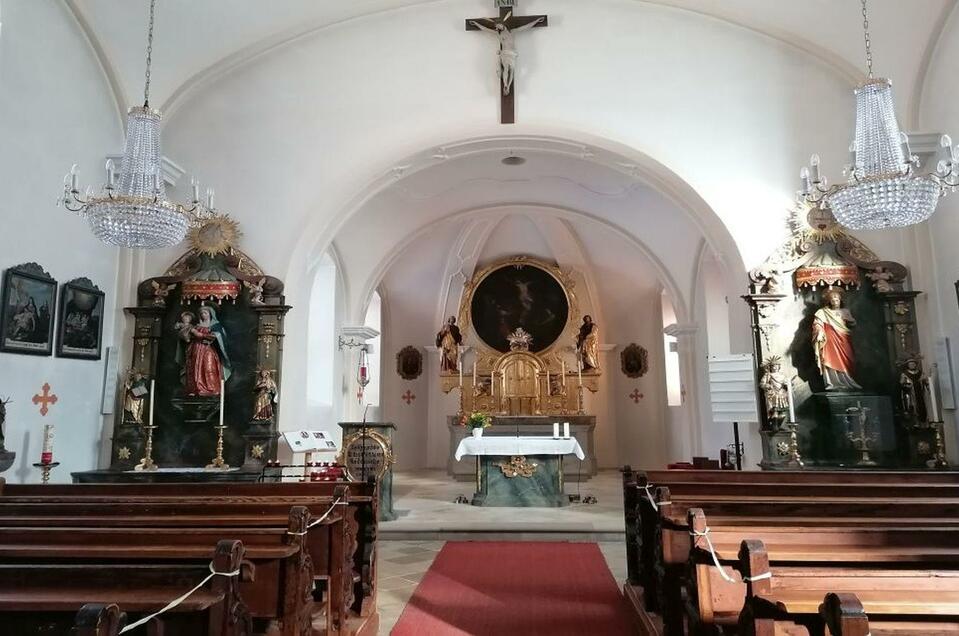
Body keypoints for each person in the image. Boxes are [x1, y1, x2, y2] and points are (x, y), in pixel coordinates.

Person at [469, 14, 546, 95]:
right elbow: (485, 29)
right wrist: (476, 24)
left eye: (499, 25)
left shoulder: (512, 32)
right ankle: (505, 85)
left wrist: (537, 21)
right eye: (497, 27)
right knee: (506, 68)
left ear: (503, 24)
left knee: (512, 70)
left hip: (512, 53)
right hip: (505, 53)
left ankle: (508, 85)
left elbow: (525, 27)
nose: (498, 27)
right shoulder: (498, 34)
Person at [176, 305, 232, 396]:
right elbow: (187, 337)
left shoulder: (216, 326)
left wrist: (213, 337)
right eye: (201, 313)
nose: (203, 315)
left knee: (209, 368)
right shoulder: (196, 326)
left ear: (210, 314)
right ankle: (195, 389)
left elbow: (221, 338)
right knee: (194, 368)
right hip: (196, 349)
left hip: (209, 350)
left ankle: (211, 388)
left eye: (205, 313)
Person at [813, 289, 862, 391]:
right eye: (832, 299)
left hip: (844, 337)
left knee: (848, 359)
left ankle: (850, 381)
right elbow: (817, 323)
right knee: (830, 358)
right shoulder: (823, 312)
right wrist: (820, 332)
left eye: (837, 299)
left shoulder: (845, 311)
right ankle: (832, 383)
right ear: (829, 301)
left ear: (840, 300)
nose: (835, 301)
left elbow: (853, 324)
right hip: (830, 339)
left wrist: (851, 320)